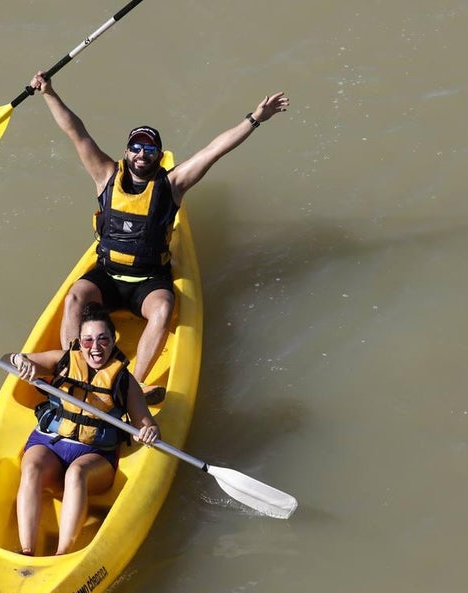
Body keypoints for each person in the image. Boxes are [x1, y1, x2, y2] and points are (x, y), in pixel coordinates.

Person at [30, 71, 289, 402]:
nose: (142, 154)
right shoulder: (105, 175)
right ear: (126, 152)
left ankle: (129, 387)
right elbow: (75, 133)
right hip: (107, 275)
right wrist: (50, 93)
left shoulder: (173, 185)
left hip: (148, 280)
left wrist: (256, 118)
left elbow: (215, 150)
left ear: (158, 156)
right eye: (136, 147)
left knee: (164, 309)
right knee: (74, 298)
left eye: (150, 149)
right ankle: (74, 372)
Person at [1, 302, 160, 556]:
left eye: (102, 339)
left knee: (76, 473)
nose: (95, 348)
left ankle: (62, 553)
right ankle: (27, 549)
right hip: (50, 443)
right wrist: (19, 360)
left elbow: (146, 423)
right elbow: (7, 359)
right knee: (31, 467)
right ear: (79, 342)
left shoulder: (124, 380)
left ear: (112, 340)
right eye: (87, 341)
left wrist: (149, 431)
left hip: (94, 455)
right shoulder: (62, 360)